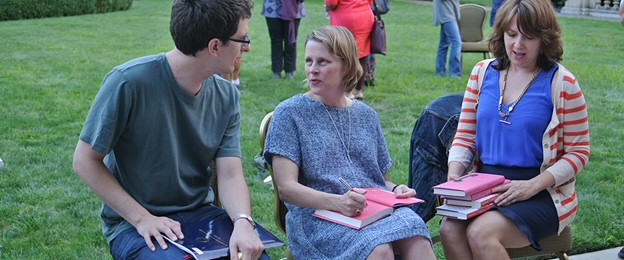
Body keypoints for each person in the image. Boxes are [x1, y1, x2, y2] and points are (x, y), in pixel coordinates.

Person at [72, 0, 267, 259]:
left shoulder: (227, 97)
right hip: (134, 224)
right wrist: (142, 219)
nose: (248, 47)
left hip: (201, 214)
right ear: (215, 46)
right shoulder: (128, 82)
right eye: (243, 39)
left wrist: (243, 223)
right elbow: (84, 161)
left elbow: (230, 173)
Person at [263, 25, 435, 259]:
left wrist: (396, 190)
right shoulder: (290, 113)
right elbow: (286, 188)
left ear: (346, 66)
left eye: (323, 62)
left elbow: (379, 180)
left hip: (372, 211)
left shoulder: (366, 115)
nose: (312, 70)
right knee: (379, 249)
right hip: (318, 217)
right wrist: (338, 202)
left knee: (417, 238)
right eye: (309, 61)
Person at [440, 0, 590, 259]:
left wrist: (531, 186)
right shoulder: (481, 73)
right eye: (511, 34)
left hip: (541, 191)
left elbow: (579, 152)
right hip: (485, 186)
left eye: (528, 37)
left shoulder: (563, 83)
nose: (518, 45)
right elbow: (464, 135)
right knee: (449, 230)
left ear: (545, 38)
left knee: (481, 233)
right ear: (501, 33)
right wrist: (455, 178)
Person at [325, 0, 375, 99]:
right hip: (364, 18)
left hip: (345, 20)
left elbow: (331, 3)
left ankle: (348, 91)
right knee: (362, 56)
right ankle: (359, 90)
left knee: (343, 55)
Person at [261, 0, 306, 80]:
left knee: (291, 41)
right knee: (276, 41)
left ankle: (290, 71)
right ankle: (276, 71)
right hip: (272, 9)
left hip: (293, 8)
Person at [433, 0, 462, 78]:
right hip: (446, 15)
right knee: (456, 43)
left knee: (443, 44)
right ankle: (454, 73)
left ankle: (440, 72)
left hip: (448, 13)